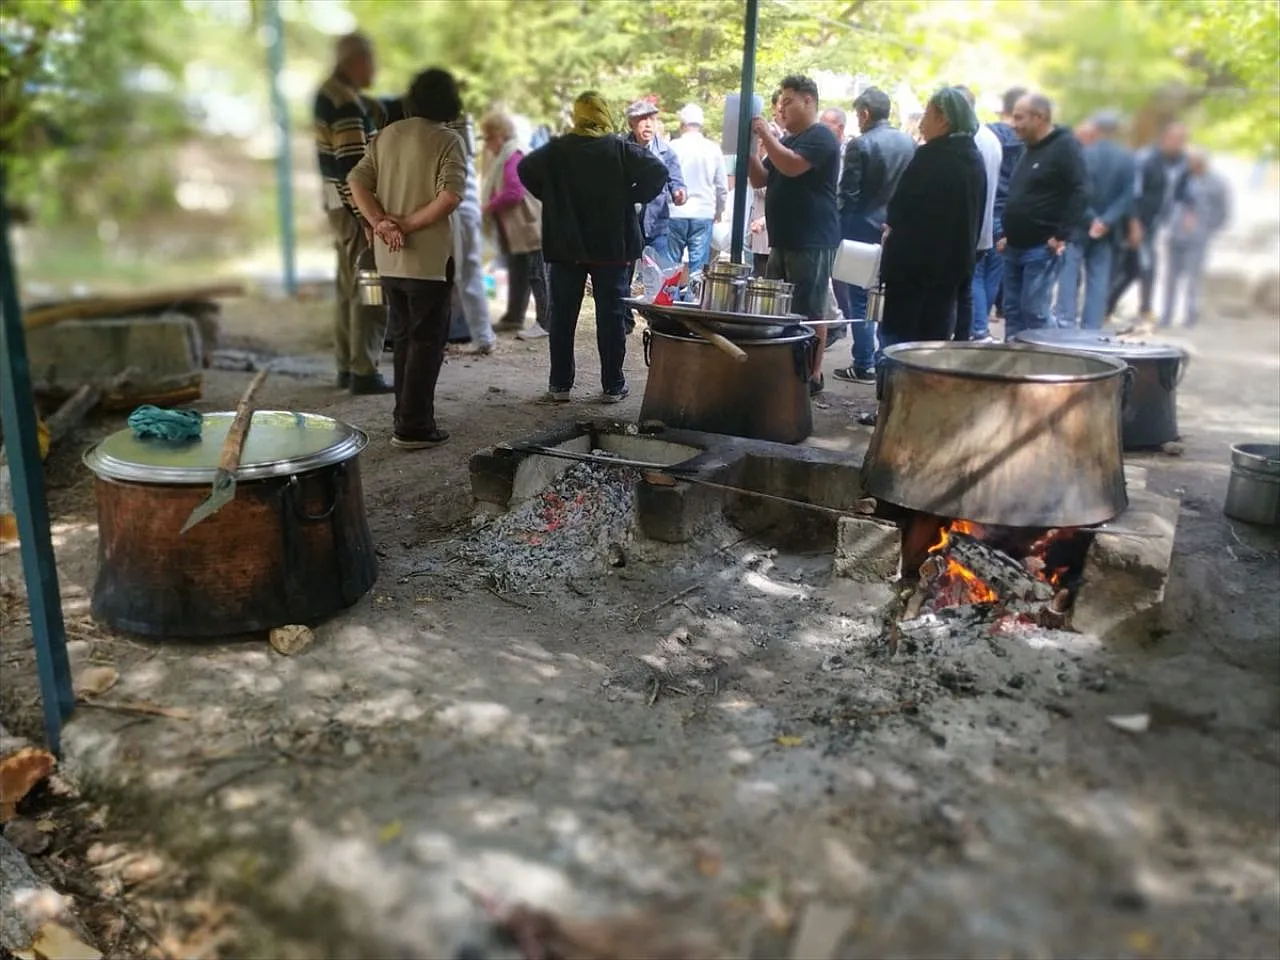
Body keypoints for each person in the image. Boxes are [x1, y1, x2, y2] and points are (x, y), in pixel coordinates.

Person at [517, 92, 668, 404]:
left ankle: (559, 385)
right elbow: (658, 172)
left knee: (562, 314)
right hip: (612, 246)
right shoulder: (619, 149)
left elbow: (525, 168)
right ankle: (613, 385)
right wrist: (633, 195)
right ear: (604, 113)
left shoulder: (557, 150)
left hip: (565, 245)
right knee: (612, 316)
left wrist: (552, 196)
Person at [347, 68, 467, 449]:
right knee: (426, 341)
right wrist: (407, 225)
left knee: (402, 337)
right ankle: (414, 427)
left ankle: (405, 416)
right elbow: (449, 196)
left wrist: (381, 223)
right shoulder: (447, 139)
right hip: (429, 259)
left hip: (389, 259)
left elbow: (356, 182)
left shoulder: (386, 135)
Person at [748, 74, 842, 396]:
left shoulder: (821, 137)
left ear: (809, 101)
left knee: (811, 309)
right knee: (779, 306)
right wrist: (749, 149)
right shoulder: (785, 141)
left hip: (812, 238)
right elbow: (761, 178)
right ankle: (786, 366)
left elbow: (791, 167)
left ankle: (812, 375)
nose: (782, 108)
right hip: (783, 239)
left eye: (788, 101)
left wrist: (765, 134)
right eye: (780, 103)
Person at [878, 87, 986, 360]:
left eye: (927, 115)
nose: (922, 122)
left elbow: (899, 209)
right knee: (932, 349)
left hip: (914, 275)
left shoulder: (932, 158)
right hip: (950, 273)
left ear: (944, 119)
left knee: (901, 350)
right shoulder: (973, 159)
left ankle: (892, 398)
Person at [313, 32, 392, 394]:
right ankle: (365, 368)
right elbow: (352, 167)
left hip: (335, 202)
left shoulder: (329, 93)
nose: (375, 68)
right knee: (370, 287)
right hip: (352, 208)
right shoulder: (345, 102)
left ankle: (348, 365)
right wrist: (368, 216)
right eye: (372, 60)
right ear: (357, 61)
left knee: (348, 285)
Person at [830, 87, 915, 385]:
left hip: (861, 232)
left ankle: (864, 361)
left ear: (865, 113)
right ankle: (886, 358)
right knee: (888, 299)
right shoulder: (909, 144)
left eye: (857, 114)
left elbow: (849, 193)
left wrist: (839, 228)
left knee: (859, 299)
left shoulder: (861, 145)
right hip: (895, 231)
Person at [998, 93, 1088, 339]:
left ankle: (1049, 364)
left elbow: (1080, 190)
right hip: (1014, 245)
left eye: (1019, 117)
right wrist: (1006, 233)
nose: (1013, 123)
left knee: (1035, 311)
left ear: (1040, 117)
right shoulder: (1027, 149)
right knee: (1013, 310)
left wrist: (1061, 235)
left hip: (1041, 247)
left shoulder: (1064, 146)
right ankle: (1014, 365)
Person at [1054, 111, 1135, 330]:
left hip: (1079, 224)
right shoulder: (1127, 159)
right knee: (1099, 278)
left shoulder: (1082, 154)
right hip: (1108, 231)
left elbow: (1075, 190)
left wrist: (1092, 219)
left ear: (1096, 129)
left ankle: (1065, 322)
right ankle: (1091, 328)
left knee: (1069, 273)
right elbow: (1128, 196)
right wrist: (1106, 221)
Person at [1108, 121, 1189, 325]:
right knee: (1145, 265)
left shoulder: (1182, 163)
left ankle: (1107, 306)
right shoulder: (1145, 159)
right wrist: (1134, 224)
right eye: (1175, 139)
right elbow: (1133, 192)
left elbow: (1181, 193)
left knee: (1132, 269)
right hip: (1136, 221)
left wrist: (1187, 213)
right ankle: (1146, 311)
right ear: (1163, 138)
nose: (1179, 143)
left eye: (1182, 139)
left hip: (1156, 223)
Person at [479, 111, 550, 341]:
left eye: (488, 138)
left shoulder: (513, 155)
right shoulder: (506, 154)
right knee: (519, 272)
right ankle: (514, 316)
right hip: (515, 228)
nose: (487, 144)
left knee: (536, 275)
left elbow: (514, 192)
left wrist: (487, 207)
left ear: (499, 135)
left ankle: (545, 322)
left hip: (528, 225)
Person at [1161, 149, 1229, 328]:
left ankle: (1190, 316)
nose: (1190, 165)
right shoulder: (1180, 178)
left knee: (1193, 278)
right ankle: (1167, 315)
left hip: (1197, 237)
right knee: (1170, 277)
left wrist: (1207, 228)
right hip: (1175, 234)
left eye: (1193, 161)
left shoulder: (1216, 183)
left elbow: (1223, 211)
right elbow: (1169, 202)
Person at [447, 118, 498, 355]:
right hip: (463, 209)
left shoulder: (445, 136)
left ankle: (481, 335)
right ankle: (481, 334)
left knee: (465, 273)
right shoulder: (459, 131)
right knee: (469, 272)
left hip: (457, 209)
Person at [958, 85, 1004, 342]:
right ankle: (979, 326)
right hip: (986, 225)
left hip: (971, 228)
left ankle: (977, 329)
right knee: (983, 278)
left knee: (971, 281)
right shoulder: (990, 138)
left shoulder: (971, 139)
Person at [667, 103, 728, 287]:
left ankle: (669, 303)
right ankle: (692, 303)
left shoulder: (672, 147)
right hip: (703, 212)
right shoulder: (713, 149)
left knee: (671, 266)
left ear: (681, 124)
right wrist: (719, 210)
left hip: (674, 212)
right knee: (698, 268)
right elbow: (721, 186)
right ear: (701, 125)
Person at [624, 100, 687, 262]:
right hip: (626, 228)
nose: (648, 125)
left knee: (660, 278)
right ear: (631, 123)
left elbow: (677, 183)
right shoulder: (620, 150)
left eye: (651, 120)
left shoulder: (666, 153)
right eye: (642, 120)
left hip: (657, 228)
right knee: (624, 280)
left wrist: (680, 194)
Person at [984, 86, 1026, 325]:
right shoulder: (1026, 141)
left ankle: (979, 324)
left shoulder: (988, 134)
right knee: (996, 269)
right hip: (1010, 210)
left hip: (987, 207)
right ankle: (991, 316)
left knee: (980, 269)